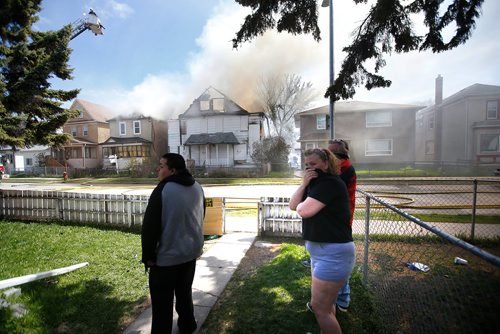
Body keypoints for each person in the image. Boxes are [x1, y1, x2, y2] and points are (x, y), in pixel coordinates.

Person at [290, 148, 355, 334]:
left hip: (333, 254)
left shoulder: (330, 183)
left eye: (314, 164)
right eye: (306, 165)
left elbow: (303, 211)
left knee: (320, 308)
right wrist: (303, 185)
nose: (309, 168)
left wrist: (303, 203)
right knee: (326, 306)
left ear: (326, 163)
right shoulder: (315, 183)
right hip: (321, 253)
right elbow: (293, 205)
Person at [141, 153, 205, 334]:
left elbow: (150, 228)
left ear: (173, 170)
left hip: (166, 261)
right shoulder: (197, 187)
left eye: (161, 166)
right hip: (190, 255)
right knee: (184, 294)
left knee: (162, 304)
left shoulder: (163, 190)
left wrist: (148, 257)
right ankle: (188, 325)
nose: (158, 169)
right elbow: (201, 218)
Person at [328, 139, 357, 313]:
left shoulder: (343, 168)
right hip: (339, 218)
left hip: (341, 220)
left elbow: (328, 185)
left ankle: (343, 299)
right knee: (335, 260)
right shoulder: (341, 166)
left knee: (338, 261)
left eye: (328, 152)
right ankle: (339, 297)